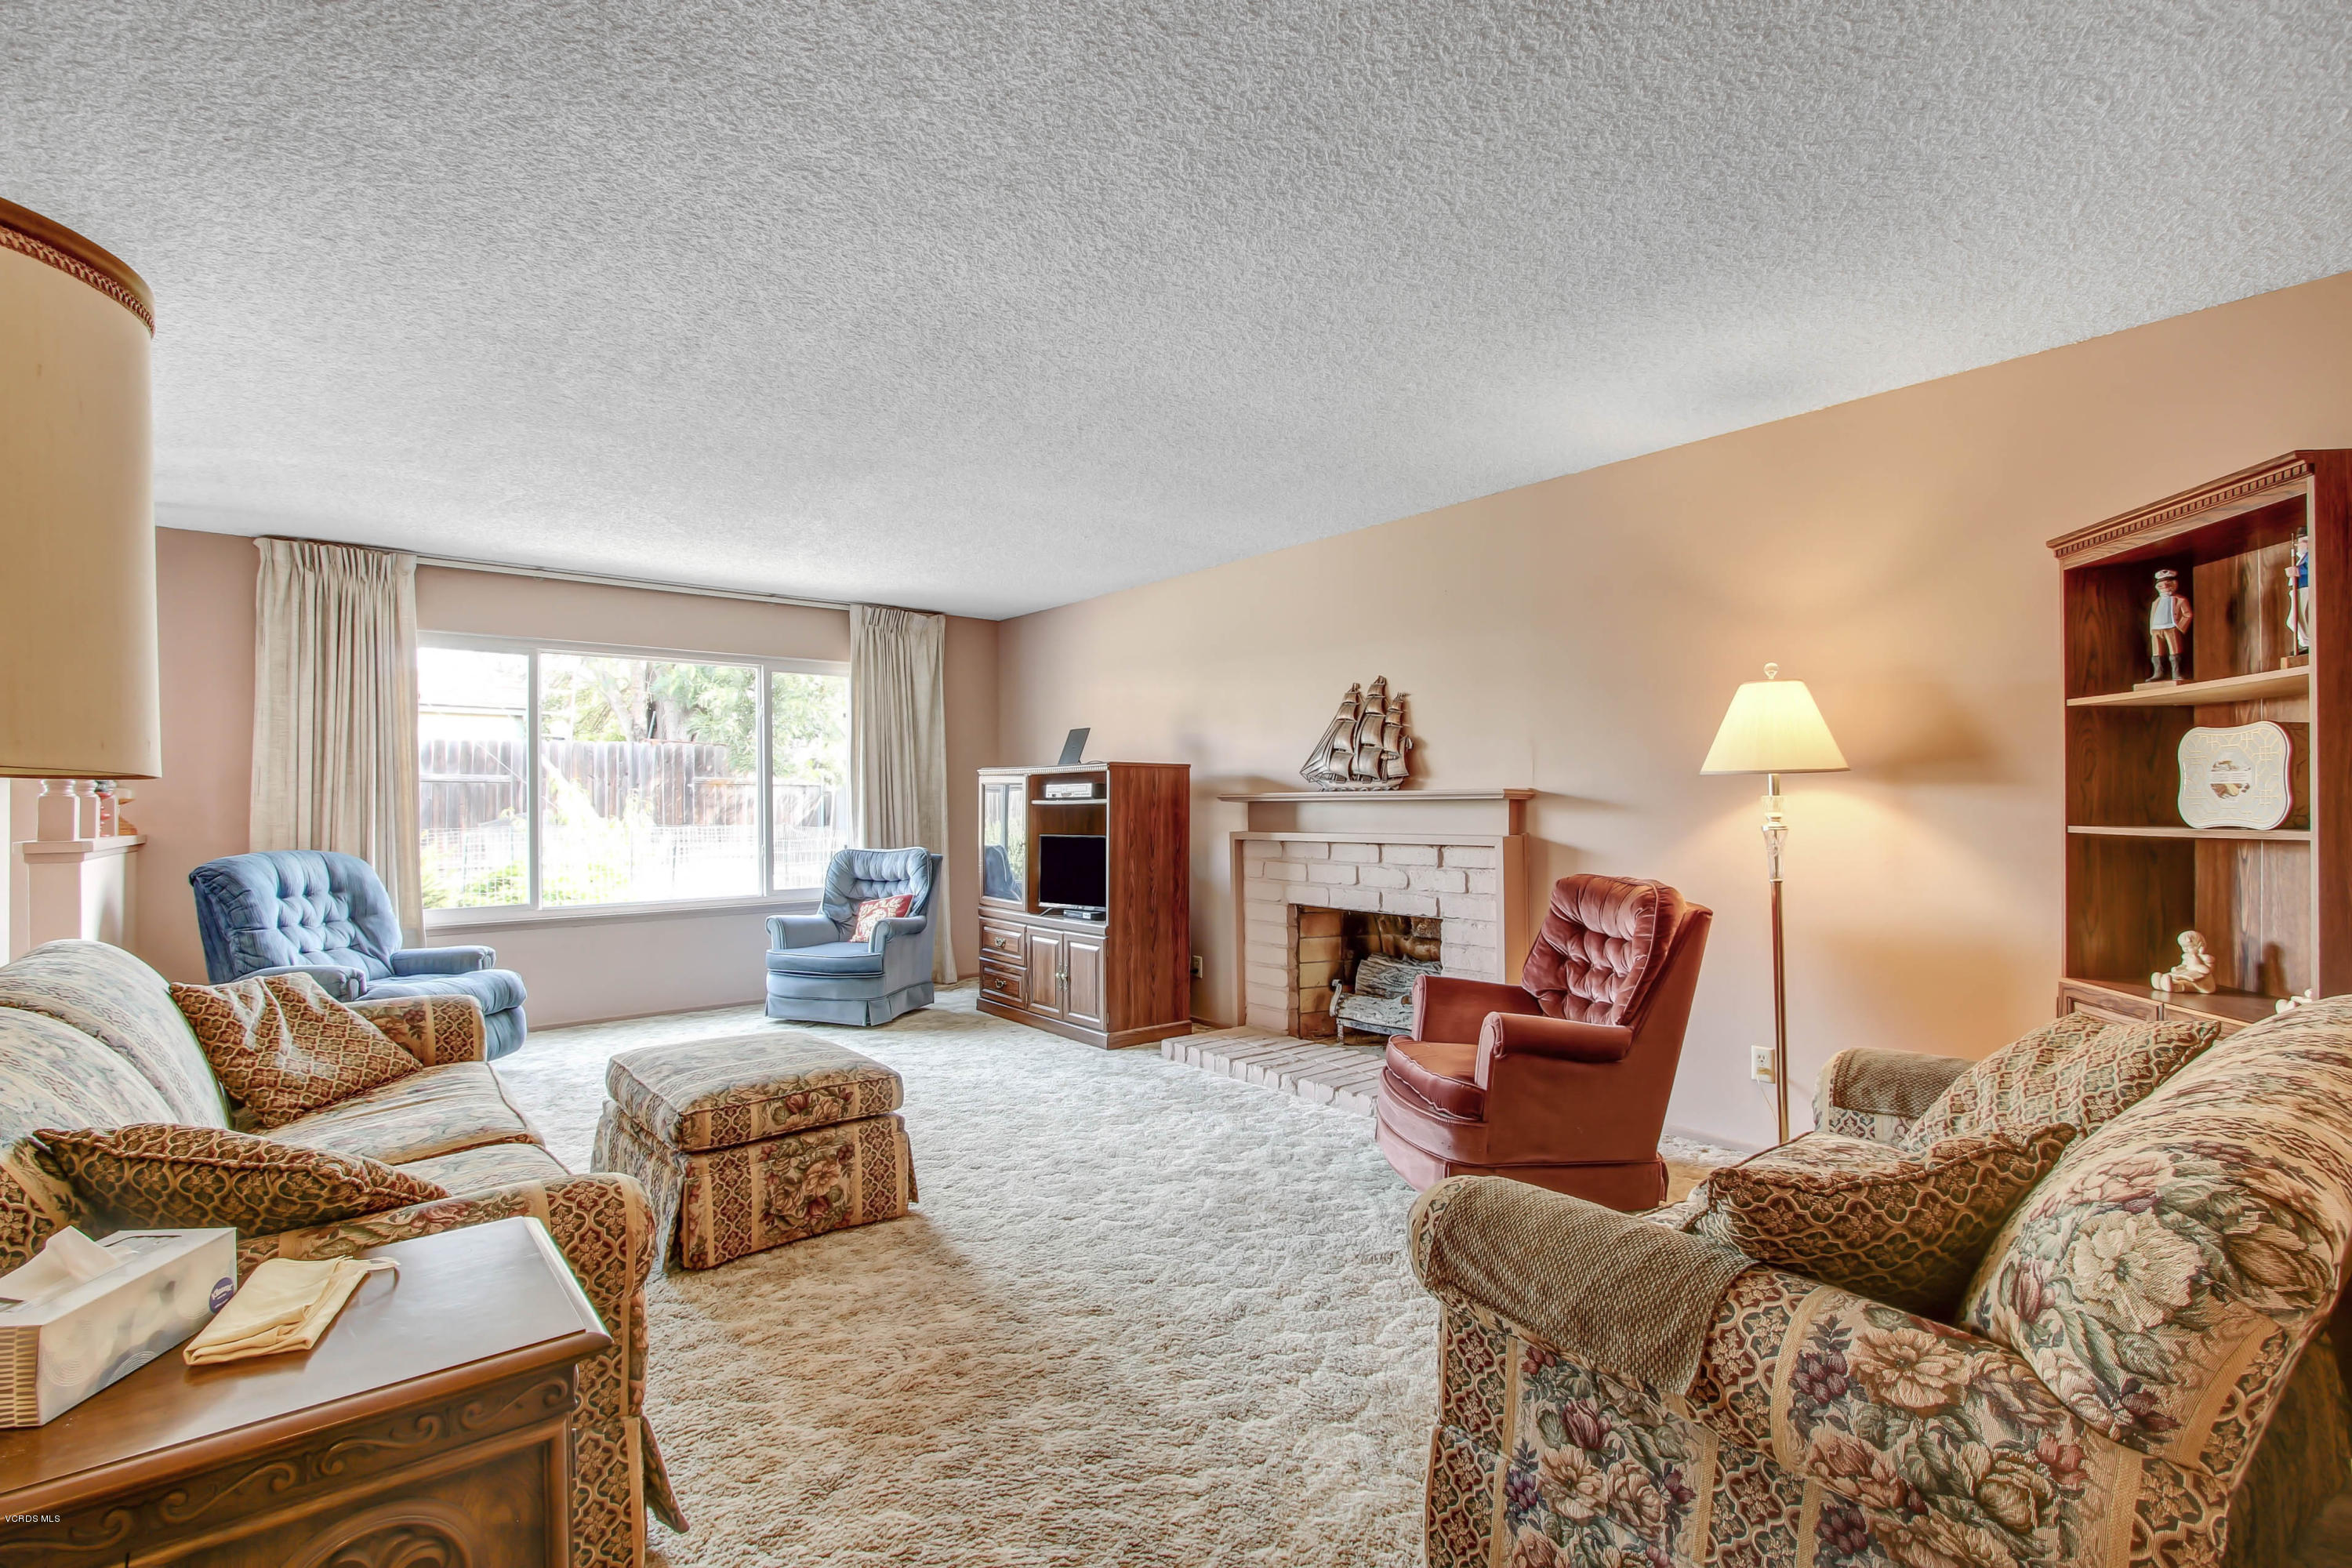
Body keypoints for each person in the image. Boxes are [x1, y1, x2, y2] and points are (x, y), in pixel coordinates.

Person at [2148, 568, 2192, 683]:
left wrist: (2180, 627)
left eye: (2167, 585)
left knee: (2175, 652)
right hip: (2157, 629)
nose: (2165, 588)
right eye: (2161, 586)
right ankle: (2158, 672)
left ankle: (2176, 672)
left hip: (2171, 628)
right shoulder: (2156, 602)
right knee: (2157, 652)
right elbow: (2153, 616)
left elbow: (2188, 614)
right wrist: (2152, 630)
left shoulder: (2179, 600)